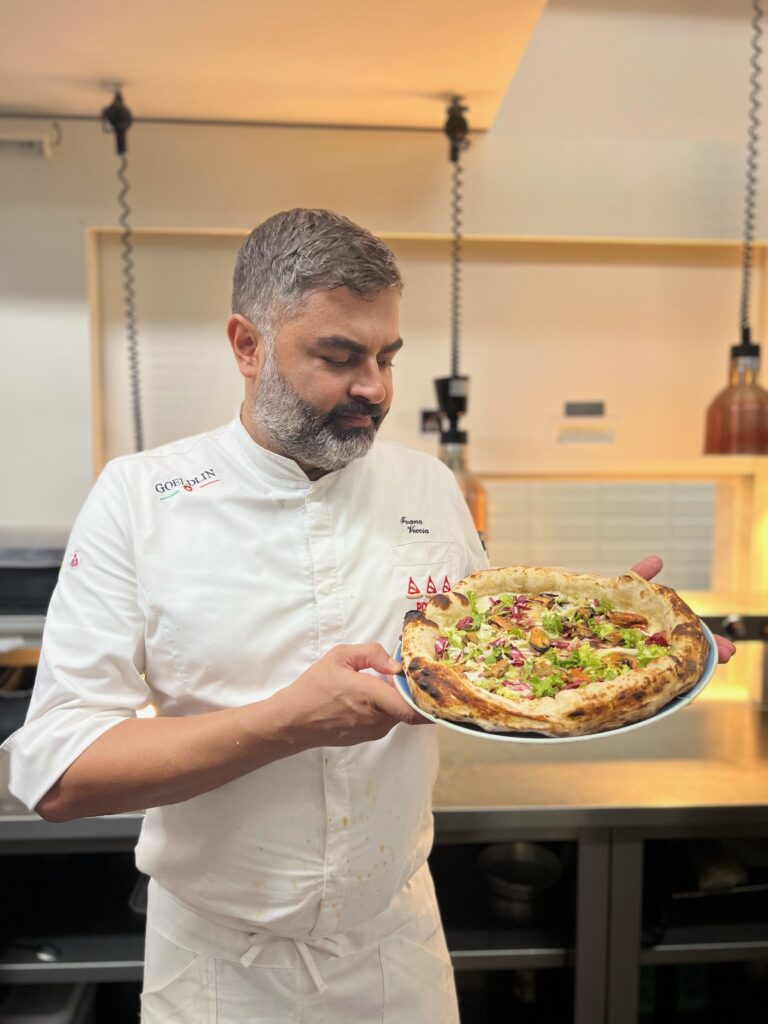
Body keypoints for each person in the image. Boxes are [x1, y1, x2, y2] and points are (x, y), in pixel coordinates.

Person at [2, 209, 736, 1023]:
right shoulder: (139, 498)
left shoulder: (427, 489)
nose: (376, 389)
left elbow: (484, 668)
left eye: (387, 357)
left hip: (395, 950)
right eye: (340, 356)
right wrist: (290, 720)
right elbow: (59, 775)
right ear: (247, 346)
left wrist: (597, 641)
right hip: (220, 971)